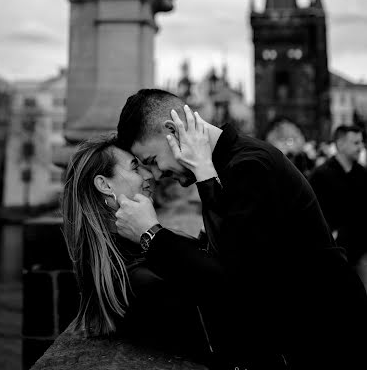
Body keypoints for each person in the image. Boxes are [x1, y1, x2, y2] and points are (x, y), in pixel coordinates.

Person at [115, 89, 367, 369]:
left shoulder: (249, 165)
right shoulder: (227, 163)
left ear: (173, 130)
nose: (158, 174)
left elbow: (232, 278)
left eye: (152, 161)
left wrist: (151, 233)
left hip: (328, 337)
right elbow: (216, 251)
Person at [61, 134, 236, 367]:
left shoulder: (128, 257)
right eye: (135, 169)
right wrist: (152, 233)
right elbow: (226, 289)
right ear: (104, 185)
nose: (149, 175)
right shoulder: (140, 280)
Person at [309, 125, 367, 267]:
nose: (361, 147)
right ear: (340, 144)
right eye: (356, 143)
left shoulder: (362, 173)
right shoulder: (320, 175)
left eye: (361, 142)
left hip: (361, 251)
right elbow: (313, 213)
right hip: (333, 253)